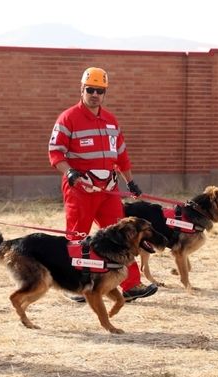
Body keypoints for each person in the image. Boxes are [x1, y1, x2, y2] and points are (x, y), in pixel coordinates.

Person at [48, 67, 158, 302]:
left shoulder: (110, 120)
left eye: (100, 90)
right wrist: (70, 173)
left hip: (109, 189)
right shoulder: (68, 118)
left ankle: (130, 285)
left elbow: (121, 155)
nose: (95, 94)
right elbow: (56, 153)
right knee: (77, 237)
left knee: (123, 235)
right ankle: (73, 285)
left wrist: (130, 181)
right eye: (90, 89)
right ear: (82, 89)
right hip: (81, 190)